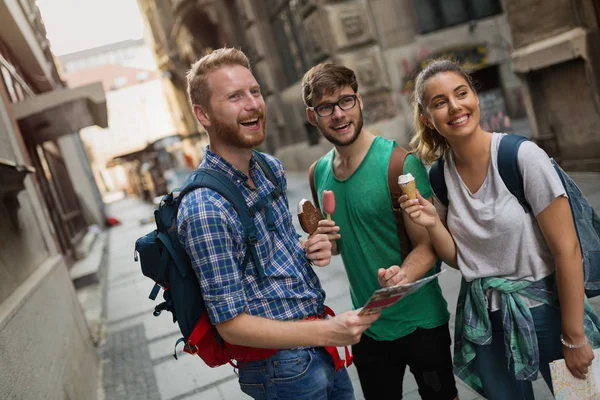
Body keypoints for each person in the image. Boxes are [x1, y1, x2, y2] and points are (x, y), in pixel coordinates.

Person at [178, 47, 379, 400]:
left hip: (319, 344)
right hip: (280, 370)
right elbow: (231, 325)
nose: (253, 104)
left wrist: (307, 248)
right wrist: (328, 332)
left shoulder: (269, 167)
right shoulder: (204, 208)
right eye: (234, 96)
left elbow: (266, 257)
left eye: (254, 91)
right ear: (203, 113)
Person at [399, 58, 600, 399]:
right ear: (426, 119)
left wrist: (573, 335)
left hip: (549, 312)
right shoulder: (439, 177)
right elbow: (460, 260)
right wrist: (433, 224)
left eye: (461, 93)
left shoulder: (520, 157)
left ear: (474, 97)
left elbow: (568, 251)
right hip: (486, 321)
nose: (454, 107)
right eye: (439, 102)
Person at [302, 63, 458, 400]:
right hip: (367, 326)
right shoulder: (318, 174)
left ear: (359, 101)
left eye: (345, 101)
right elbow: (342, 244)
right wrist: (322, 245)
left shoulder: (400, 165)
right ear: (313, 117)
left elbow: (428, 244)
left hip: (421, 323)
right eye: (326, 107)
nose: (339, 115)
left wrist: (402, 274)